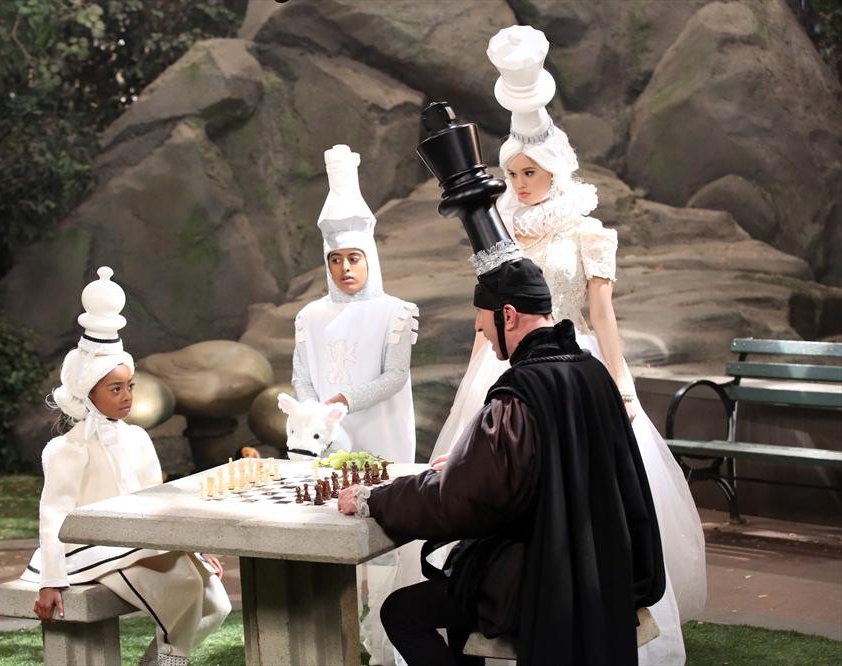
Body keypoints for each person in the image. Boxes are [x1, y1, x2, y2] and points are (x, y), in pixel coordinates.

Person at [431, 26, 706, 662]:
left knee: (591, 487)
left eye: (530, 171)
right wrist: (475, 377)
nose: (520, 182)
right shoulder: (502, 234)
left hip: (575, 361)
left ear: (555, 169)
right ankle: (494, 599)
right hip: (506, 364)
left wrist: (623, 383)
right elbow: (488, 315)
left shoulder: (588, 232)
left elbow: (602, 313)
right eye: (512, 173)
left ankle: (596, 603)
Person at [339, 256, 666, 665]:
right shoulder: (592, 372)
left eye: (483, 318)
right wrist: (468, 462)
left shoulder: (522, 390)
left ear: (507, 315)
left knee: (400, 611)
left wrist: (375, 498)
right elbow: (552, 463)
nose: (480, 329)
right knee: (460, 586)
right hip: (604, 572)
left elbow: (459, 500)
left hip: (547, 580)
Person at [20, 267, 230, 666]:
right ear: (88, 392)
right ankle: (172, 661)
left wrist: (195, 548)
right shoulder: (67, 449)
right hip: (91, 549)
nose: (127, 396)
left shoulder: (137, 438)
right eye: (115, 389)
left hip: (140, 541)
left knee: (218, 604)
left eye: (129, 386)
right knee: (185, 588)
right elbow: (53, 515)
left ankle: (160, 661)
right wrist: (51, 580)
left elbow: (159, 501)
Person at [291, 144, 419, 665]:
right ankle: (333, 636)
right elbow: (302, 377)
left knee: (383, 535)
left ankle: (387, 641)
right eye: (335, 260)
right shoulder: (310, 317)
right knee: (329, 525)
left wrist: (344, 400)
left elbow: (395, 376)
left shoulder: (395, 312)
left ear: (369, 258)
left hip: (381, 433)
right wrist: (315, 418)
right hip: (327, 441)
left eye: (353, 258)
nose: (345, 268)